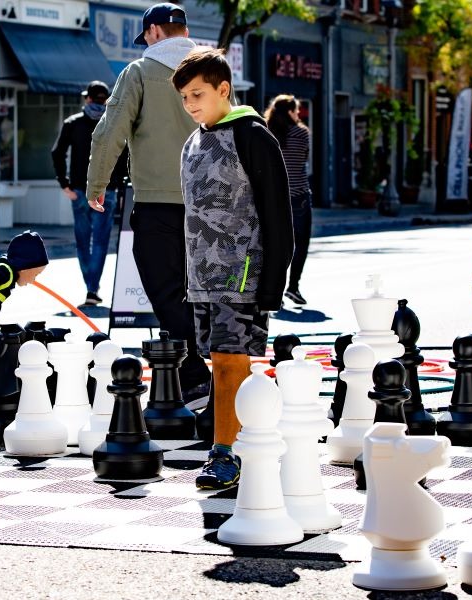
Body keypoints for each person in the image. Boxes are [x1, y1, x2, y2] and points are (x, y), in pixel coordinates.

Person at [172, 49, 293, 490]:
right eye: (185, 96)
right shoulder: (192, 142)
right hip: (201, 277)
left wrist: (273, 284)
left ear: (224, 89)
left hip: (242, 274)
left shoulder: (253, 136)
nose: (190, 104)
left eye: (198, 94)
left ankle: (224, 454)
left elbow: (278, 213)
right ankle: (248, 443)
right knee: (221, 364)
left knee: (227, 363)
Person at [83, 2, 212, 402]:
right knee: (198, 290)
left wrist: (96, 183)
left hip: (158, 201)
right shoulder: (211, 74)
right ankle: (195, 374)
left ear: (154, 31)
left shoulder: (139, 72)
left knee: (163, 287)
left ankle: (193, 371)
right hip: (210, 203)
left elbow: (110, 131)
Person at [51, 80, 128, 307]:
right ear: (106, 100)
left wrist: (64, 183)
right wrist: (120, 185)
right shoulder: (113, 124)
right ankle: (92, 289)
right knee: (101, 241)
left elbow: (57, 153)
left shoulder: (73, 123)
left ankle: (90, 287)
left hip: (79, 190)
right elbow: (124, 157)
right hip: (108, 190)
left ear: (87, 99)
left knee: (82, 240)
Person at [263, 95, 312, 306]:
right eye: (296, 111)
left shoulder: (266, 133)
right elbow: (304, 158)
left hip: (274, 199)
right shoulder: (301, 133)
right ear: (290, 112)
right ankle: (293, 287)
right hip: (299, 196)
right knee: (300, 245)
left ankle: (275, 291)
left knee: (276, 246)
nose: (298, 114)